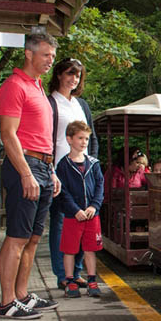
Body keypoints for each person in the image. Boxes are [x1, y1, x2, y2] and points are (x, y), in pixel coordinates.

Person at [0, 32, 61, 319]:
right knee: (17, 237)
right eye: (46, 55)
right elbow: (8, 134)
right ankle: (6, 302)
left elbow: (41, 136)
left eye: (53, 56)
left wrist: (52, 171)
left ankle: (22, 295)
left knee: (34, 238)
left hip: (43, 166)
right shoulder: (14, 85)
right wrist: (25, 174)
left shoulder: (38, 87)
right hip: (25, 166)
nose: (50, 61)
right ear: (29, 54)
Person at [46, 57, 98, 290]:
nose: (73, 79)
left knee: (83, 223)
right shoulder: (50, 103)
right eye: (69, 73)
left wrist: (93, 165)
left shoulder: (82, 105)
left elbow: (92, 137)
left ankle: (76, 272)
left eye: (77, 75)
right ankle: (62, 274)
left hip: (83, 171)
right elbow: (46, 138)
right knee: (61, 223)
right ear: (59, 74)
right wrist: (49, 168)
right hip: (59, 170)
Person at [56, 120, 105, 298]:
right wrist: (75, 209)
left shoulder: (93, 163)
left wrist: (94, 205)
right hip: (72, 215)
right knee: (70, 249)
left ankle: (92, 280)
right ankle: (70, 281)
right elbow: (63, 191)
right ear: (69, 139)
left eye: (86, 139)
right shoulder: (63, 165)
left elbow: (100, 186)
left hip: (92, 215)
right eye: (80, 138)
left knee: (90, 249)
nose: (84, 142)